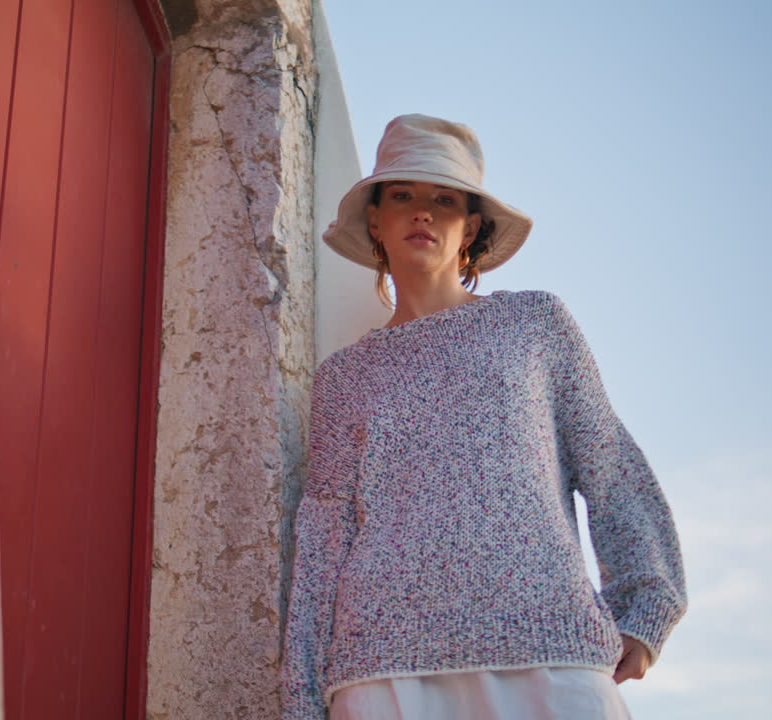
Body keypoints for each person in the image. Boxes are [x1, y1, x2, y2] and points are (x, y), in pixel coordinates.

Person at [281, 114, 687, 720]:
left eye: (444, 199)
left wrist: (647, 605)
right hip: (382, 670)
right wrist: (303, 700)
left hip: (550, 650)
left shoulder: (533, 325)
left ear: (470, 226)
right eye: (403, 196)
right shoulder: (344, 376)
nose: (423, 212)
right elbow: (324, 539)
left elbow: (610, 465)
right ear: (376, 220)